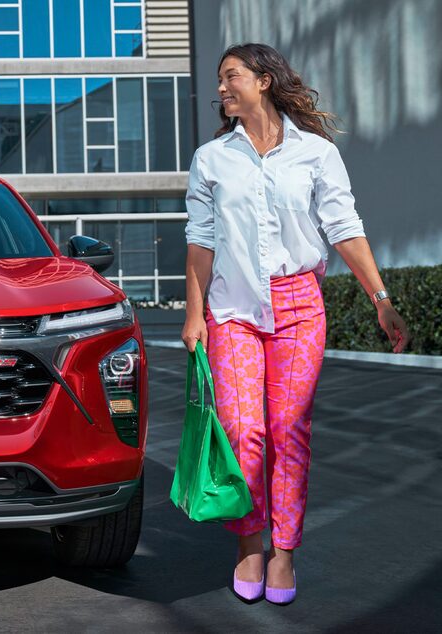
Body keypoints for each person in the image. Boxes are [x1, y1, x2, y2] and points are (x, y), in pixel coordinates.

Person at [181, 43, 408, 606]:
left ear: (263, 80)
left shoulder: (316, 154)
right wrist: (193, 315)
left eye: (231, 77)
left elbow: (344, 228)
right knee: (243, 430)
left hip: (299, 307)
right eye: (220, 81)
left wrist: (380, 298)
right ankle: (249, 543)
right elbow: (200, 242)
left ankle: (284, 551)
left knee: (289, 430)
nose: (222, 88)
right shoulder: (212, 159)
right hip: (233, 309)